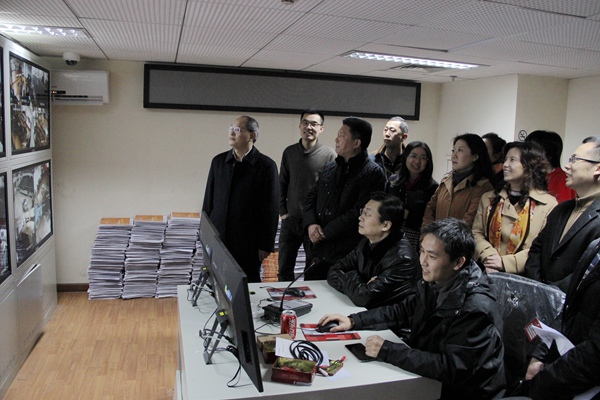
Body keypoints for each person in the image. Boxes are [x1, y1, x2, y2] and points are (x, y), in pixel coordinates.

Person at [319, 218, 506, 400]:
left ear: (458, 262)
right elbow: (402, 311)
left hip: (462, 392)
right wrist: (354, 321)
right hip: (430, 382)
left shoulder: (475, 308)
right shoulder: (436, 281)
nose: (422, 261)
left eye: (432, 256)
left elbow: (452, 367)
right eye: (422, 251)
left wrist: (388, 350)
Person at [303, 116, 386, 280]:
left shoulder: (372, 173)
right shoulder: (331, 167)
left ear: (356, 143)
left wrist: (325, 232)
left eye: (341, 135)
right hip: (317, 249)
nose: (336, 139)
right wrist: (311, 224)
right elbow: (312, 197)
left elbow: (359, 212)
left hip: (346, 253)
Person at [202, 115, 279, 283]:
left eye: (238, 130)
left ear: (253, 135)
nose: (232, 133)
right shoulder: (219, 162)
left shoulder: (266, 166)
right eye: (231, 128)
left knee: (246, 284)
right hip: (219, 237)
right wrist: (205, 233)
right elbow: (208, 201)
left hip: (249, 241)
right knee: (217, 282)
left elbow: (271, 208)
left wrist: (265, 244)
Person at [525, 237, 600, 399]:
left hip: (579, 383)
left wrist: (543, 382)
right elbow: (569, 307)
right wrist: (541, 354)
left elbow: (594, 355)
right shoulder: (596, 247)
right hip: (562, 369)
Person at [524, 136, 600, 292]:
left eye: (575, 160)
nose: (567, 166)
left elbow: (589, 272)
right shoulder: (560, 210)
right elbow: (536, 250)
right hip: (539, 295)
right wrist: (538, 289)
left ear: (597, 169)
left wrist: (552, 294)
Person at [473, 141, 557, 274]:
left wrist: (505, 263)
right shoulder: (489, 198)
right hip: (488, 270)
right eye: (505, 159)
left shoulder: (548, 204)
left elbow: (543, 247)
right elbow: (476, 233)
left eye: (512, 160)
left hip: (524, 275)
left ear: (529, 165)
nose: (505, 164)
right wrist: (489, 257)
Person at [327, 192, 420, 309]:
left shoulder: (402, 258)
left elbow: (364, 298)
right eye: (362, 211)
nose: (360, 217)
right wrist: (360, 280)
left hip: (391, 318)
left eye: (367, 214)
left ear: (385, 225)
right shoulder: (367, 242)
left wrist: (351, 277)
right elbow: (334, 270)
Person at [278, 109, 336, 281]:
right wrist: (283, 212)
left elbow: (331, 191)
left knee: (312, 270)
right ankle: (284, 297)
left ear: (321, 129)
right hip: (290, 221)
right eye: (305, 122)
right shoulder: (289, 152)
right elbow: (282, 183)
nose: (308, 127)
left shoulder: (329, 155)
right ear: (300, 125)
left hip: (314, 223)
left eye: (314, 124)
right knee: (284, 268)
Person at [422, 133, 494, 228]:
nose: (453, 156)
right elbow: (430, 209)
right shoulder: (446, 180)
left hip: (459, 237)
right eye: (453, 150)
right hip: (434, 236)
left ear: (475, 156)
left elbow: (469, 221)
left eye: (460, 150)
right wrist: (427, 233)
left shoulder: (482, 187)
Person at [388, 141, 438, 252]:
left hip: (414, 237)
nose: (417, 161)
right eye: (413, 156)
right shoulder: (393, 181)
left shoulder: (433, 188)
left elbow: (430, 218)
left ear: (428, 162)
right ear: (406, 157)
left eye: (423, 158)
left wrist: (408, 215)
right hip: (390, 232)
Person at [525, 130, 576, 203]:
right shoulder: (524, 176)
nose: (525, 155)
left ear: (549, 155)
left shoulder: (566, 181)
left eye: (531, 152)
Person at [371, 116, 409, 190]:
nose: (387, 134)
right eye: (385, 130)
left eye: (392, 130)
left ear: (404, 137)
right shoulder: (373, 159)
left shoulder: (410, 161)